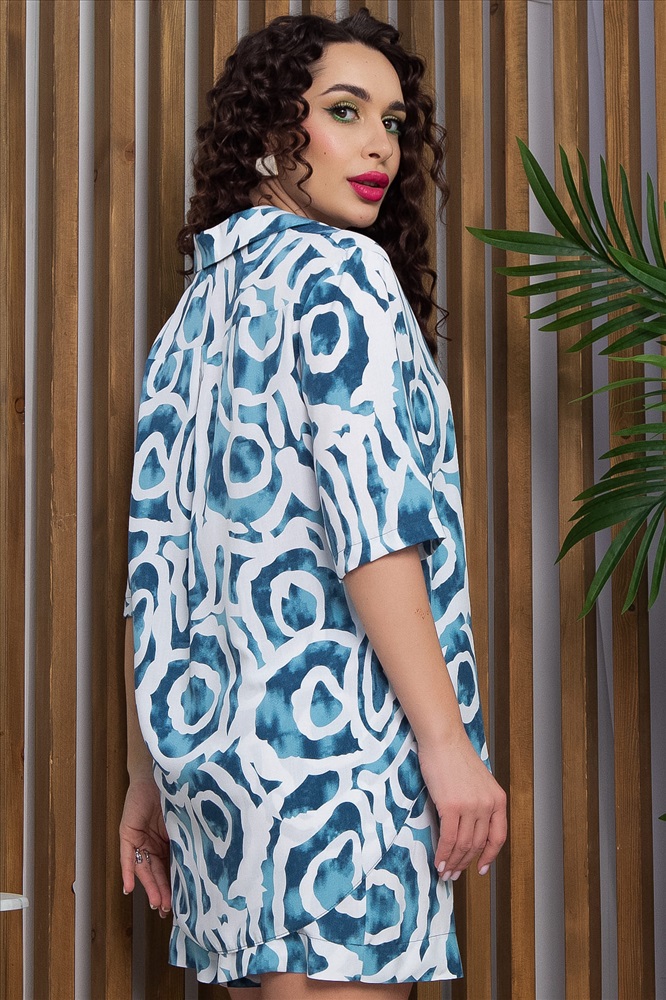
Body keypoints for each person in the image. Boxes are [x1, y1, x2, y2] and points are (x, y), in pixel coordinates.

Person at [120, 9, 506, 999]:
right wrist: (447, 747)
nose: (381, 145)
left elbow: (158, 568)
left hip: (218, 779)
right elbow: (373, 529)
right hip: (340, 768)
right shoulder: (342, 274)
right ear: (266, 127)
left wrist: (144, 775)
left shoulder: (190, 317)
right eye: (345, 111)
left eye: (393, 120)